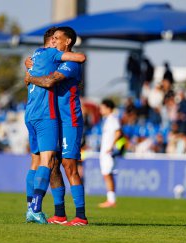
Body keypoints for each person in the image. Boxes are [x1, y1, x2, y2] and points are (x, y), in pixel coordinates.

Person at [25, 26, 88, 226]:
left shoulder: (70, 63)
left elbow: (50, 81)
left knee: (69, 165)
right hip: (53, 119)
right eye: (52, 38)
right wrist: (30, 64)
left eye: (58, 38)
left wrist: (30, 77)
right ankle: (59, 213)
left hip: (70, 120)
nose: (54, 41)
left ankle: (80, 216)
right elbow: (39, 66)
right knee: (52, 165)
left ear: (67, 42)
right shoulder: (54, 59)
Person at [98, 99, 124, 208]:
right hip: (105, 151)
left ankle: (111, 200)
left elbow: (118, 133)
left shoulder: (113, 119)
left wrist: (111, 146)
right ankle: (111, 199)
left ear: (108, 108)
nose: (100, 110)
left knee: (107, 174)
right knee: (107, 174)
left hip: (108, 152)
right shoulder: (107, 119)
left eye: (102, 107)